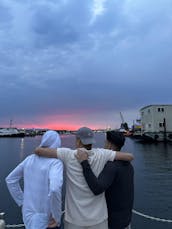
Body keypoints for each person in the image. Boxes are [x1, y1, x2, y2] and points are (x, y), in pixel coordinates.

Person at [35, 127, 134, 229]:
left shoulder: (68, 154)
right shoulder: (103, 154)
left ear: (78, 141)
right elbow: (129, 156)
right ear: (91, 141)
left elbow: (39, 151)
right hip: (99, 219)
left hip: (75, 220)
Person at [76, 130, 134, 229]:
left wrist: (84, 163)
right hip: (126, 219)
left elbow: (97, 189)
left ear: (109, 144)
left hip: (113, 223)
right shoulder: (128, 164)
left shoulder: (112, 166)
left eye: (105, 142)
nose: (104, 144)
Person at [6, 130, 63, 229]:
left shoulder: (29, 159)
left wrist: (22, 201)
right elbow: (55, 189)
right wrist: (57, 216)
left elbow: (10, 179)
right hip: (46, 219)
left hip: (27, 214)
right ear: (57, 143)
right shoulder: (55, 163)